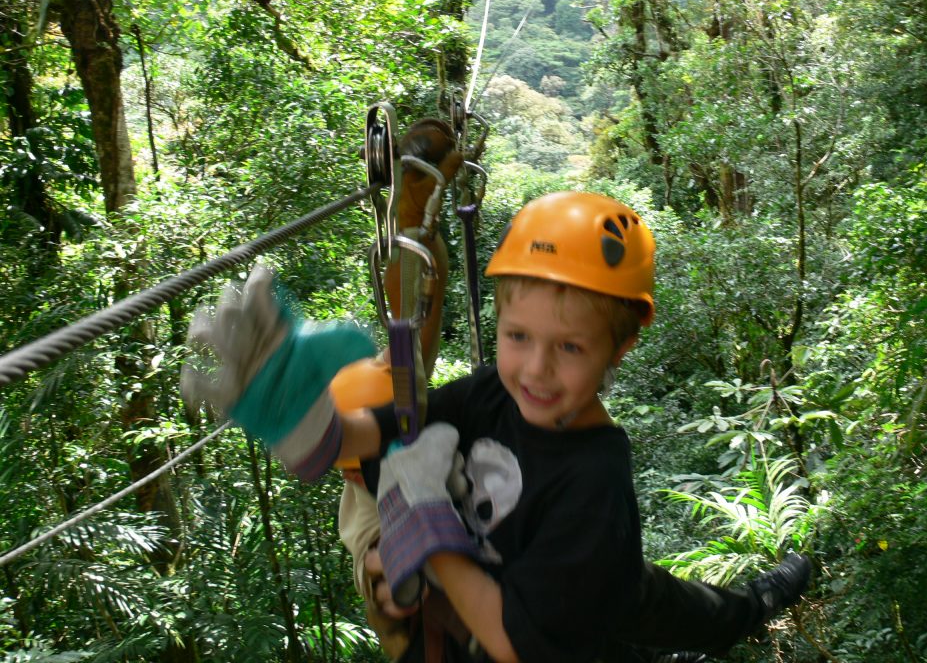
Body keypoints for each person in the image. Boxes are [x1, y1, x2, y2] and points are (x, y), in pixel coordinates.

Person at [182, 191, 810, 663]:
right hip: (568, 598)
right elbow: (385, 433)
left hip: (585, 602)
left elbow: (514, 640)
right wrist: (306, 424)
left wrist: (426, 531)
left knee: (708, 616)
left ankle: (770, 593)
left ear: (618, 348)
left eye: (570, 348)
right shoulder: (489, 392)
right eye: (517, 337)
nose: (536, 369)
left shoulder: (594, 476)